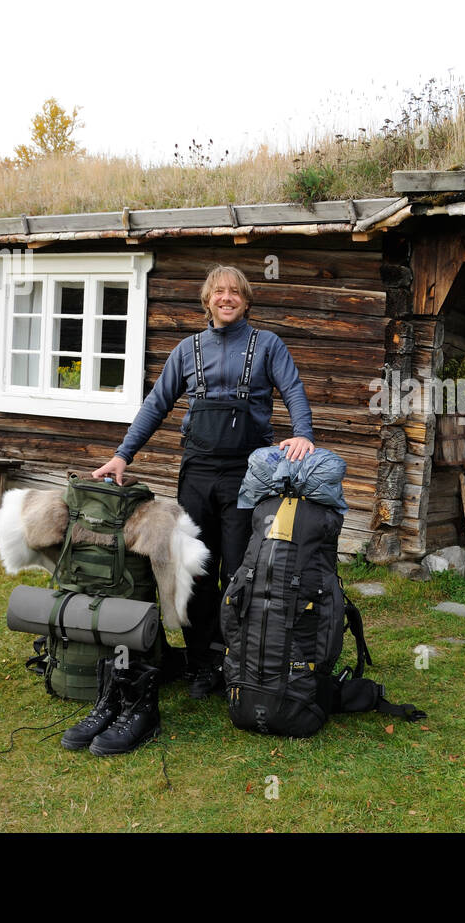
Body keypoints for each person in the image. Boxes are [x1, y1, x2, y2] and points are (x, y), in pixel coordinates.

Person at [92, 265, 314, 697]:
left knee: (238, 568)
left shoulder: (267, 345)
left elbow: (294, 390)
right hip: (197, 473)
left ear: (246, 301)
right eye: (218, 292)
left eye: (235, 292)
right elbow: (156, 405)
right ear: (207, 300)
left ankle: (238, 658)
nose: (226, 298)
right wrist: (122, 455)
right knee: (194, 566)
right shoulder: (187, 349)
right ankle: (201, 662)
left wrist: (302, 432)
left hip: (248, 475)